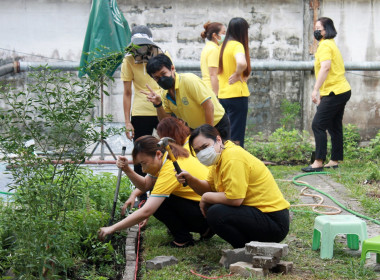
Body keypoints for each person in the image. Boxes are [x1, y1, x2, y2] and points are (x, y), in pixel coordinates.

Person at [176, 124, 290, 249]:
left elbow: (235, 199)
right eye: (197, 151)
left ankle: (244, 250)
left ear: (218, 139)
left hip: (273, 221)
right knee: (214, 207)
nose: (202, 153)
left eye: (205, 147)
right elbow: (209, 187)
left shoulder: (233, 157)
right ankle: (247, 248)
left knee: (216, 212)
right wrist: (191, 180)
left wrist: (206, 197)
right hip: (258, 214)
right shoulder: (219, 158)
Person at [98, 135, 212, 248]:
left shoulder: (171, 168)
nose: (143, 169)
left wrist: (112, 228)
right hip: (204, 208)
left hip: (207, 214)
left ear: (158, 154)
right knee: (156, 194)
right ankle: (197, 231)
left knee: (159, 203)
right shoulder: (168, 156)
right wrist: (127, 169)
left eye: (144, 163)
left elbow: (147, 210)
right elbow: (146, 185)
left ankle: (185, 238)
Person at [121, 25, 166, 203]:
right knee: (140, 152)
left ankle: (168, 186)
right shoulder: (129, 60)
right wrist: (127, 121)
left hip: (162, 107)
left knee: (169, 146)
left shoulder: (163, 56)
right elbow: (126, 92)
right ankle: (141, 196)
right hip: (140, 112)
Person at [301, 17, 351, 172]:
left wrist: (315, 89)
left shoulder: (324, 46)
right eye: (315, 28)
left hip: (335, 91)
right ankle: (334, 160)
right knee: (334, 126)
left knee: (318, 124)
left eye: (319, 28)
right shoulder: (329, 44)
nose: (316, 31)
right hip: (340, 90)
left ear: (327, 30)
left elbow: (325, 68)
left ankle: (318, 161)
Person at [143, 53, 231, 141]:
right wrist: (158, 105)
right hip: (196, 129)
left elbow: (208, 106)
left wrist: (208, 134)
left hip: (216, 124)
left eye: (163, 74)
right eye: (157, 78)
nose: (162, 79)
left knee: (221, 153)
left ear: (172, 69)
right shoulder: (164, 94)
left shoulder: (189, 81)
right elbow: (166, 121)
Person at [122, 117, 191, 218]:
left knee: (160, 202)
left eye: (161, 135)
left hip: (196, 202)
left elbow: (149, 205)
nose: (160, 141)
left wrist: (112, 228)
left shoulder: (175, 159)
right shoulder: (171, 153)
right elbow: (148, 182)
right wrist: (134, 194)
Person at [217, 17, 251, 148]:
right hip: (237, 95)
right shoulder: (237, 45)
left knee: (226, 134)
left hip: (224, 95)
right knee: (236, 135)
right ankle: (236, 162)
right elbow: (242, 62)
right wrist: (237, 73)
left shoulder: (222, 46)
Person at [200, 21, 226, 95]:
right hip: (212, 90)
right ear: (215, 35)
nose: (225, 36)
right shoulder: (213, 50)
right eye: (223, 33)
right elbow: (213, 74)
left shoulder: (208, 47)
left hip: (207, 88)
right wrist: (216, 95)